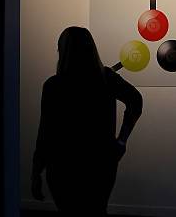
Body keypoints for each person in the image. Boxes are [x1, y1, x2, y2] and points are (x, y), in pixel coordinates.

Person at [31, 26, 143, 215]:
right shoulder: (106, 78)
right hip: (100, 163)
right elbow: (136, 101)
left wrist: (36, 172)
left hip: (62, 165)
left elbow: (45, 133)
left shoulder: (53, 86)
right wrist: (122, 140)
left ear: (62, 50)